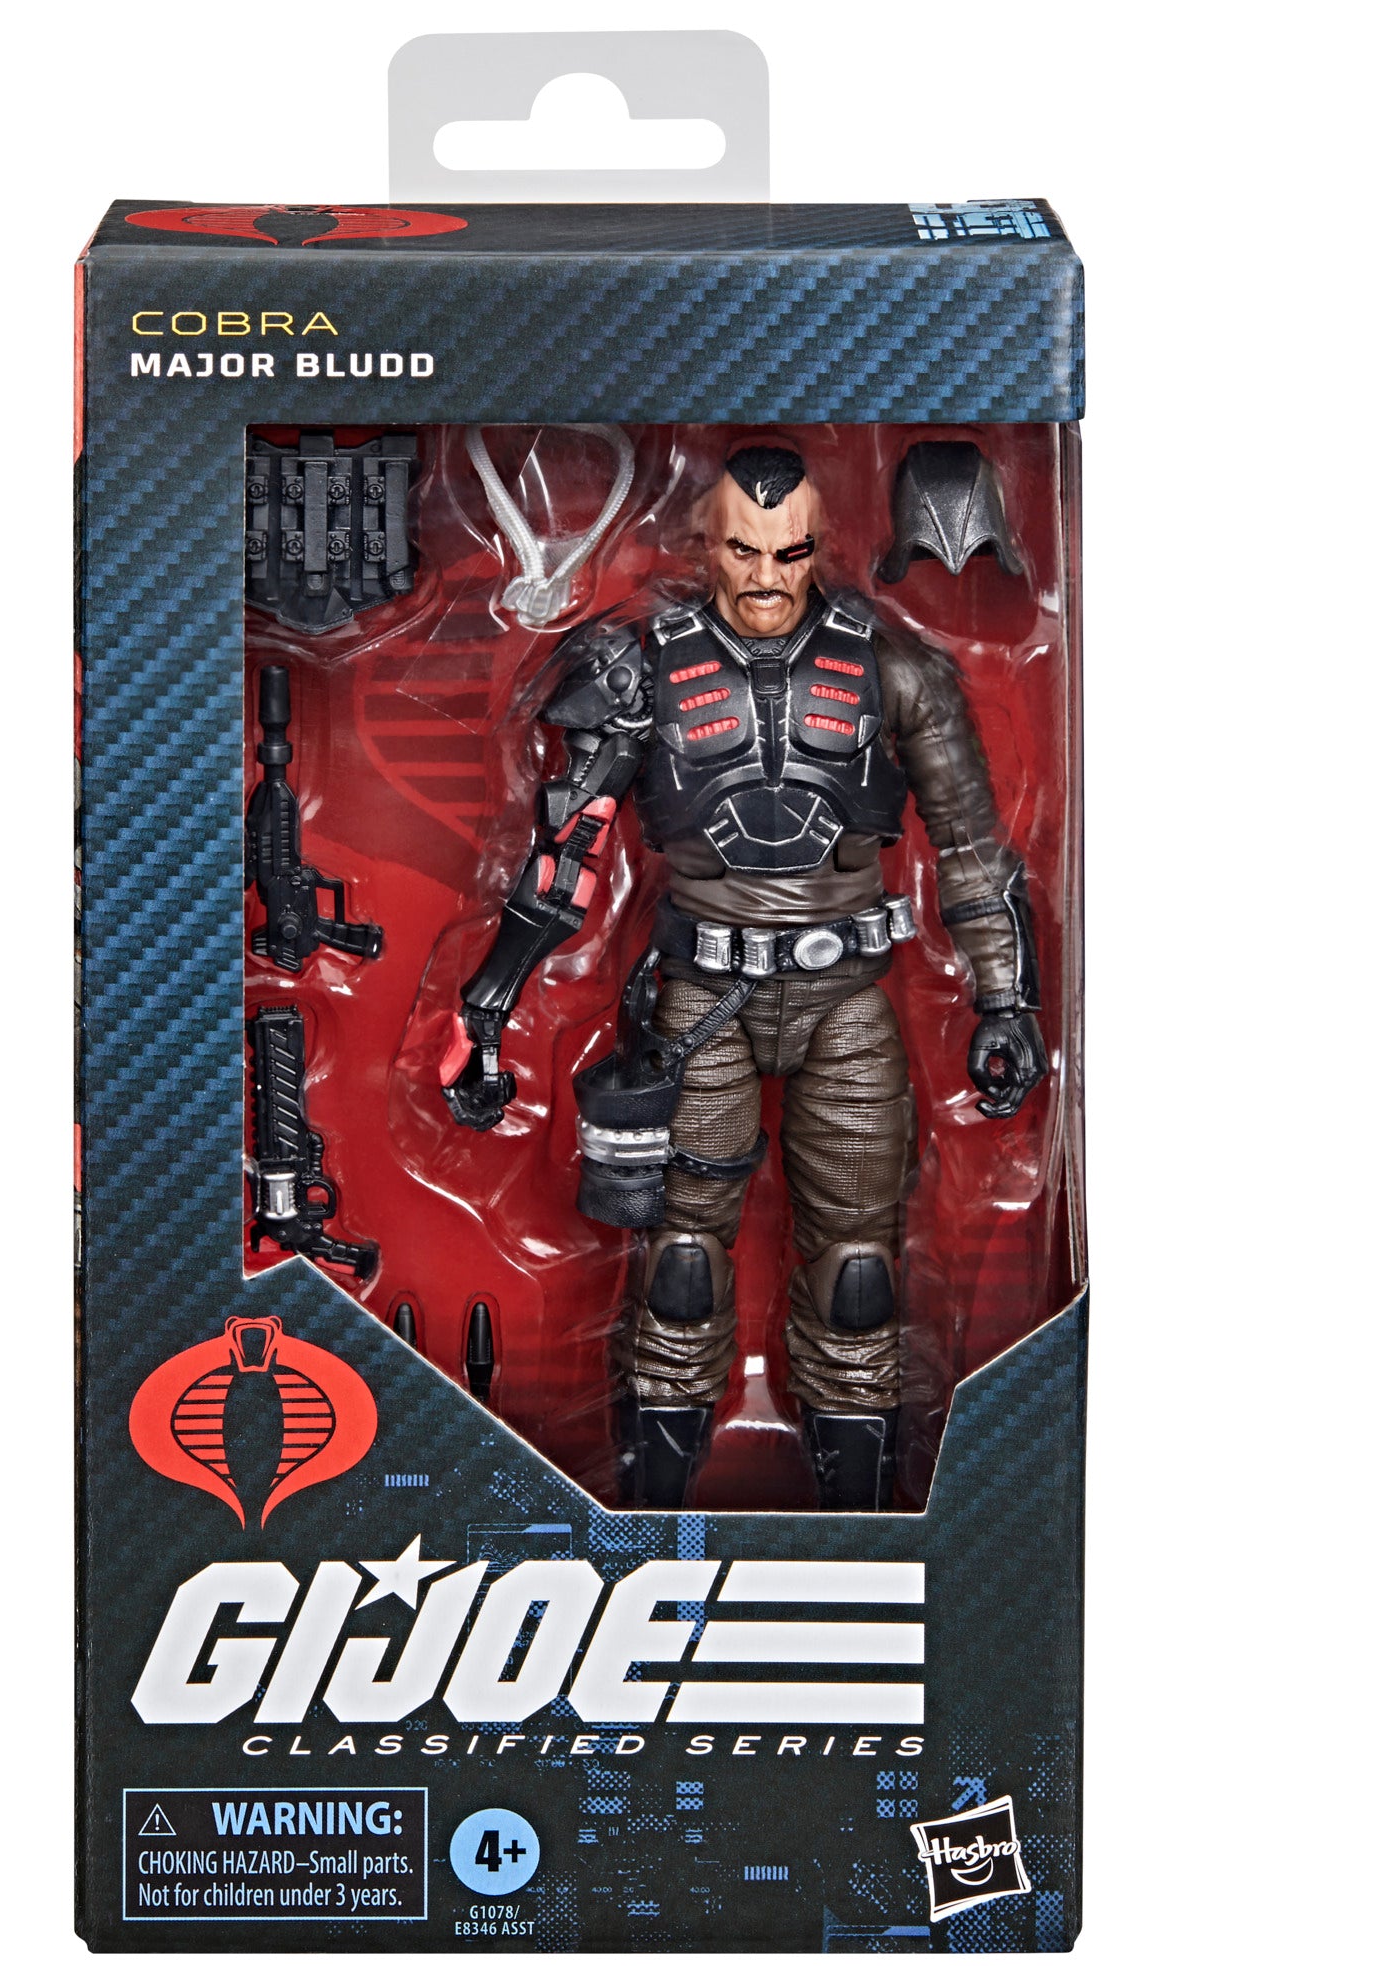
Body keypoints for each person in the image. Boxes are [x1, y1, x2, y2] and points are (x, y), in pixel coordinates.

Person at [440, 443, 1047, 1510]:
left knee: (859, 1276)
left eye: (790, 553)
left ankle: (863, 1536)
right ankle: (647, 1531)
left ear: (822, 547)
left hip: (845, 996)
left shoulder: (896, 671)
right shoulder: (637, 671)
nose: (766, 578)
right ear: (704, 544)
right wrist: (487, 1010)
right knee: (677, 1267)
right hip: (698, 1002)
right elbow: (564, 854)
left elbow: (970, 850)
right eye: (743, 550)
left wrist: (1003, 999)